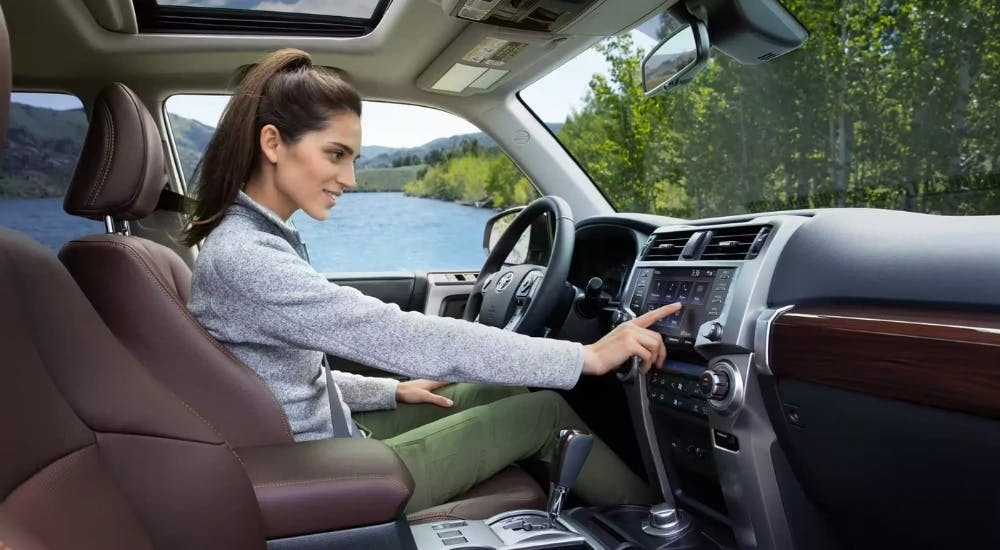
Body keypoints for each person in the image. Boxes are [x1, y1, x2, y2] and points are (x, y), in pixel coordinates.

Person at [184, 48, 682, 512]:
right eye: (336, 154)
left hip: (327, 440)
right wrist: (586, 356)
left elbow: (283, 379)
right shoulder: (247, 256)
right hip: (323, 472)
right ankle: (663, 528)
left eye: (353, 159)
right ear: (272, 143)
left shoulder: (255, 238)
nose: (351, 178)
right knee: (546, 412)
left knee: (501, 391)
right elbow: (391, 334)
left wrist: (390, 393)